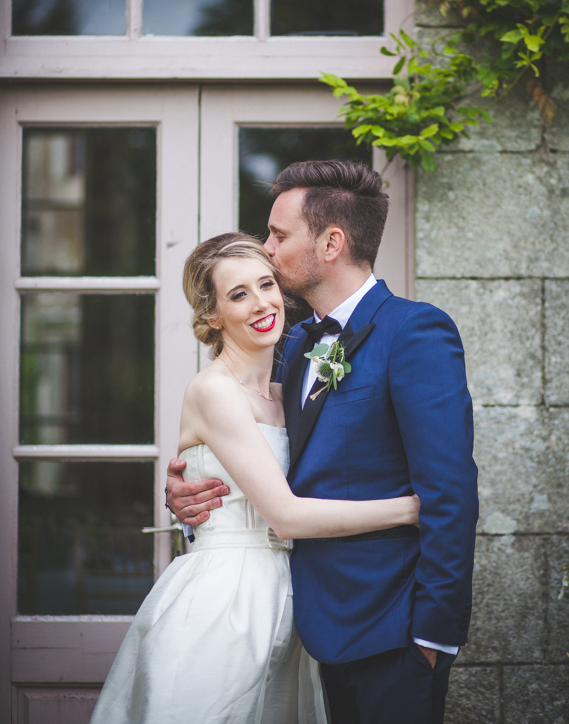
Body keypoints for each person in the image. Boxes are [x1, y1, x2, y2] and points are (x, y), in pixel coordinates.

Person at [167, 160, 479, 724]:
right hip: (301, 629)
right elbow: (264, 464)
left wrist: (434, 635)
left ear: (331, 242)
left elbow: (450, 491)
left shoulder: (415, 333)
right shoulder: (295, 344)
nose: (266, 248)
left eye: (278, 235)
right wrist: (197, 501)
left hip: (392, 631)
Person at [91, 233, 419, 724]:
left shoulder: (288, 390)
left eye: (266, 284)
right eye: (238, 294)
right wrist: (414, 508)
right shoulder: (214, 392)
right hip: (228, 601)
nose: (261, 302)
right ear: (211, 317)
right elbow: (285, 515)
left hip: (293, 597)